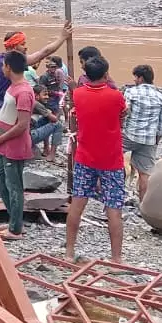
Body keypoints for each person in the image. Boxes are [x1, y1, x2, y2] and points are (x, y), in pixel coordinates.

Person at [65, 56, 127, 263]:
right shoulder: (116, 96)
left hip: (85, 158)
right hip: (111, 160)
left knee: (77, 204)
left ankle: (69, 251)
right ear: (106, 74)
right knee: (113, 208)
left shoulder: (78, 94)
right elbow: (121, 116)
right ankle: (116, 258)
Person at [0, 24, 72, 129]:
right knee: (17, 139)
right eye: (22, 44)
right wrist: (62, 37)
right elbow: (44, 53)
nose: (26, 47)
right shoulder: (17, 61)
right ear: (14, 46)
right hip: (12, 109)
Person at [0, 50, 35, 241]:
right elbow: (8, 114)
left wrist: (2, 137)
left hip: (14, 145)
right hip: (4, 142)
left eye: (3, 65)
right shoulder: (13, 87)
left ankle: (16, 229)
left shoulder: (23, 91)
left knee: (14, 186)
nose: (1, 68)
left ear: (8, 67)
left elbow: (22, 124)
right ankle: (13, 220)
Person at [122, 64, 162, 202]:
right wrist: (156, 140)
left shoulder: (131, 92)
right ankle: (143, 205)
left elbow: (124, 113)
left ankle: (113, 195)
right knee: (145, 173)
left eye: (135, 77)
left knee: (111, 161)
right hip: (149, 140)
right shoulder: (161, 98)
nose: (134, 80)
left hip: (129, 135)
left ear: (140, 78)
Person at [29, 80, 65, 161]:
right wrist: (60, 108)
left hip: (26, 134)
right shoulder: (36, 104)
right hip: (29, 136)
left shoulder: (31, 102)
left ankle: (46, 149)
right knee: (58, 125)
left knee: (46, 119)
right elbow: (55, 119)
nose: (47, 97)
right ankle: (52, 155)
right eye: (44, 94)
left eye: (47, 94)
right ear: (36, 95)